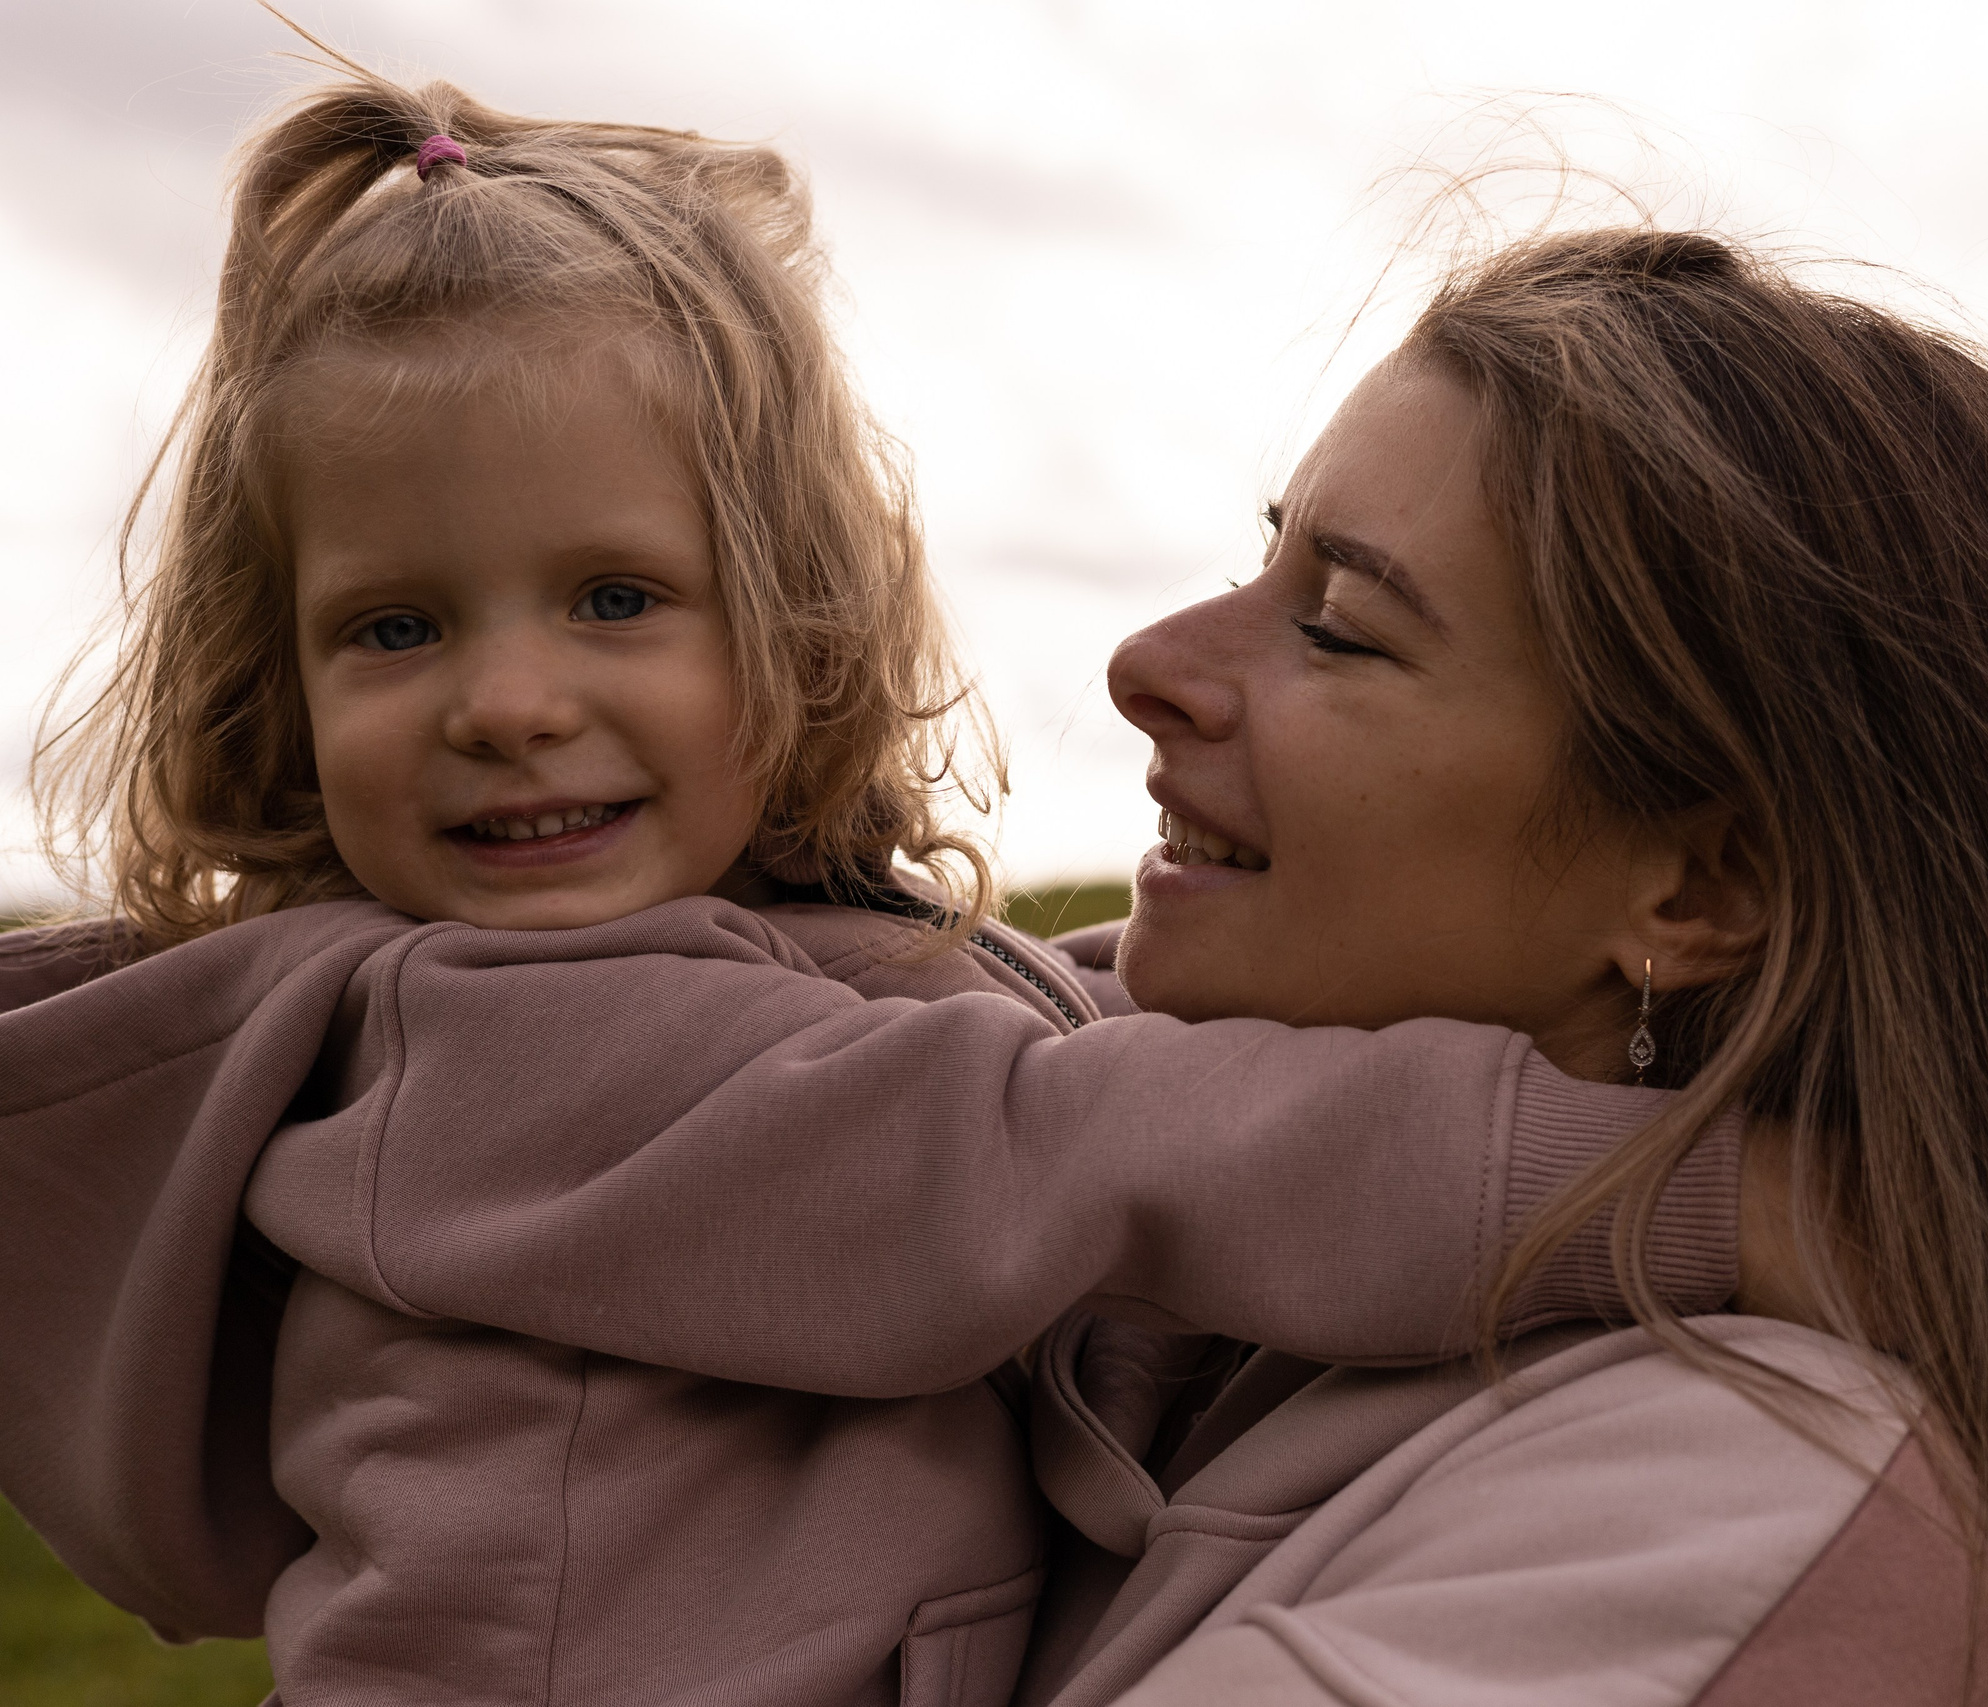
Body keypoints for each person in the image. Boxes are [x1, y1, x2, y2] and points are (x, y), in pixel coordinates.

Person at [229, 227, 1988, 1706]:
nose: (1146, 661)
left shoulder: (1742, 1500)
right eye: (1257, 559)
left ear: (1693, 887)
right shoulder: (1195, 1236)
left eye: (1336, 624)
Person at [0, 58, 1717, 1707]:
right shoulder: (474, 1052)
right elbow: (1067, 1142)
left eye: (614, 599)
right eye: (393, 628)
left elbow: (1050, 1027)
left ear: (793, 620)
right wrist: (1718, 1201)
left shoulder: (756, 980)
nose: (508, 706)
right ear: (277, 694)